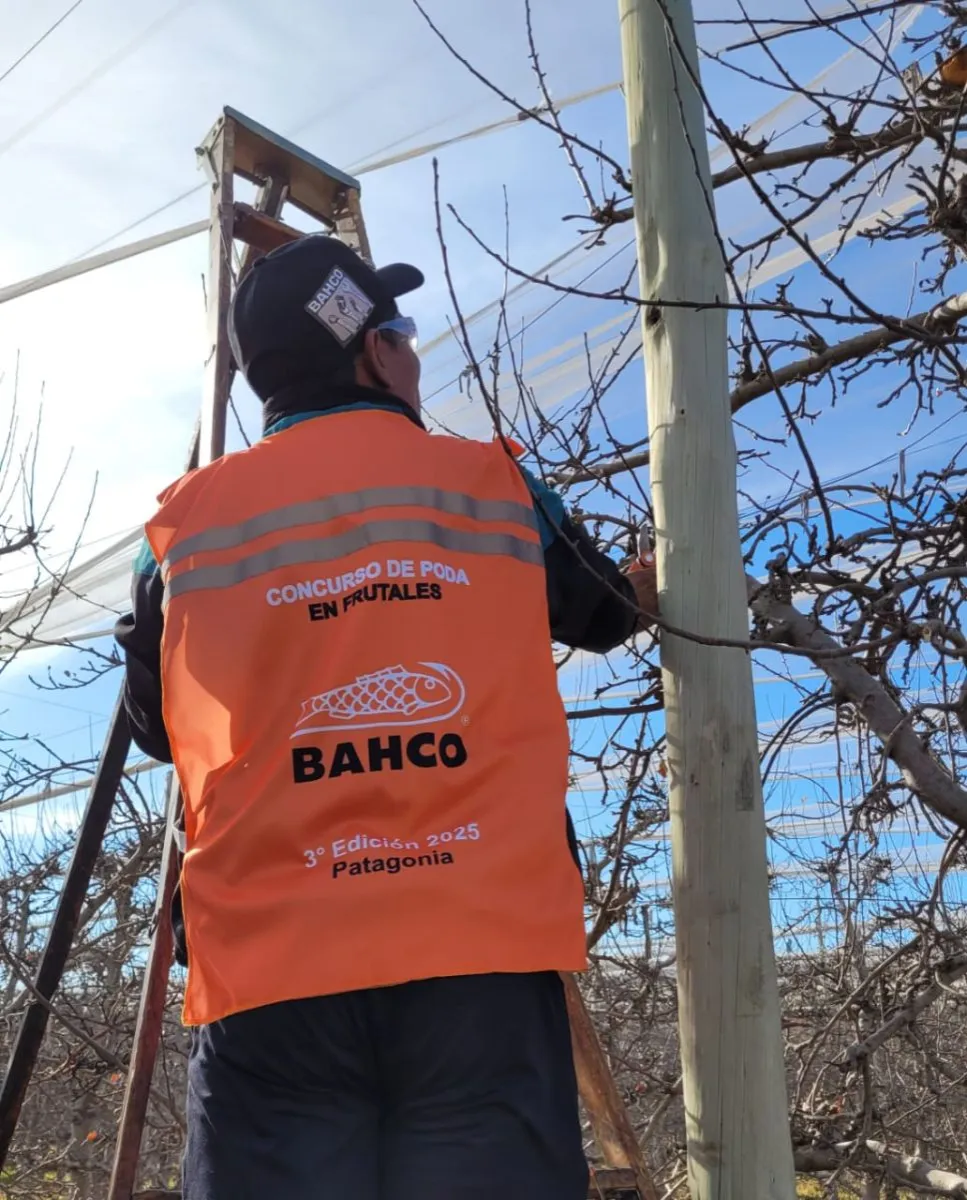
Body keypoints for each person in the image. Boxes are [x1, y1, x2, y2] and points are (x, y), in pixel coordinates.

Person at [114, 233, 658, 1200]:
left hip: (270, 971)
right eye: (402, 333)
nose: (412, 352)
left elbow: (161, 731)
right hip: (477, 954)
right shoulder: (492, 489)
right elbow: (603, 613)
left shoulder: (180, 534)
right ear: (373, 351)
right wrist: (647, 583)